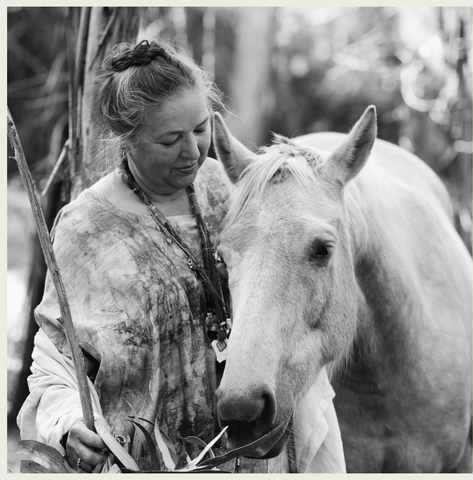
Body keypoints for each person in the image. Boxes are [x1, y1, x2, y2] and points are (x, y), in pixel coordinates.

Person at [17, 39, 346, 474]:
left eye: (200, 129)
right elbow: (55, 359)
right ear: (127, 139)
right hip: (145, 461)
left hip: (247, 449)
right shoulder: (85, 230)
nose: (193, 152)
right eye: (171, 139)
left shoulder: (233, 191)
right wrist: (68, 422)